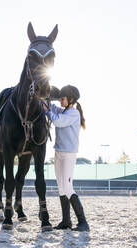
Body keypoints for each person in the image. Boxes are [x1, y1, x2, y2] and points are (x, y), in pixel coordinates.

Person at [43, 85, 89, 232]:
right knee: (61, 188)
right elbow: (54, 109)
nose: (60, 101)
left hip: (69, 154)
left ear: (71, 100)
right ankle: (66, 221)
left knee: (68, 187)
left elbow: (57, 121)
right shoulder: (64, 110)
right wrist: (45, 101)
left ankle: (83, 222)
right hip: (59, 152)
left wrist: (46, 111)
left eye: (62, 99)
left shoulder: (73, 113)